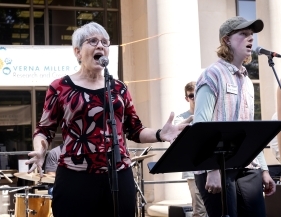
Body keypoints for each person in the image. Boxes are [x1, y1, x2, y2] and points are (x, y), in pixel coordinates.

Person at [25, 22, 192, 217]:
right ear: (78, 52)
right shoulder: (60, 87)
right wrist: (40, 151)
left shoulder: (118, 88)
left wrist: (160, 134)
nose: (100, 46)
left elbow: (135, 130)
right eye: (93, 41)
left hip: (119, 176)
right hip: (75, 179)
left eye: (105, 42)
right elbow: (44, 130)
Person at [193, 16, 276, 217]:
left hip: (248, 167)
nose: (250, 39)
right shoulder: (211, 75)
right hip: (217, 168)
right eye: (243, 34)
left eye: (251, 35)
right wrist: (212, 169)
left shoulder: (247, 80)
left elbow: (250, 130)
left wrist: (263, 169)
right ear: (226, 40)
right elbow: (201, 126)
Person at [174, 81, 207, 217]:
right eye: (191, 95)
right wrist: (191, 119)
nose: (195, 98)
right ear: (187, 98)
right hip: (193, 169)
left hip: (210, 166)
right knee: (199, 210)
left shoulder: (208, 112)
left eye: (197, 94)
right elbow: (174, 131)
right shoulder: (181, 117)